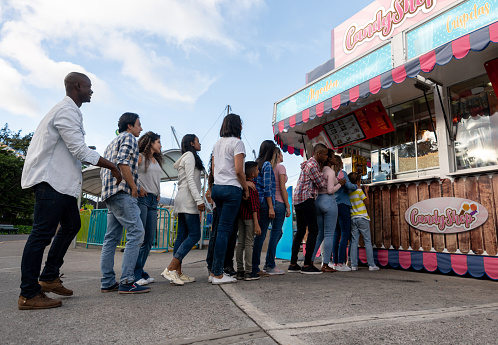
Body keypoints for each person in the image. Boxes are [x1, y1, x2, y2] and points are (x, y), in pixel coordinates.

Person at [18, 72, 122, 310]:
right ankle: (28, 294)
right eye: (89, 86)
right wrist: (113, 166)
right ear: (77, 86)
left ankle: (49, 276)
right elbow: (80, 150)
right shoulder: (65, 111)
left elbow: (75, 149)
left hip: (61, 184)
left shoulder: (72, 112)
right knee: (41, 235)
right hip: (50, 181)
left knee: (72, 225)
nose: (92, 91)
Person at [100, 112, 150, 294]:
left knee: (111, 238)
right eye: (139, 124)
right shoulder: (129, 138)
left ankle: (107, 281)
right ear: (130, 126)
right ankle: (128, 281)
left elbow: (111, 165)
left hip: (110, 193)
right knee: (137, 233)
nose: (141, 128)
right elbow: (123, 163)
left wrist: (137, 185)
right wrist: (133, 187)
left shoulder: (112, 143)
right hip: (122, 192)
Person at [209, 113, 249, 285]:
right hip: (232, 188)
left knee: (217, 231)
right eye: (240, 122)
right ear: (236, 125)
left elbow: (213, 168)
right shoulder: (237, 143)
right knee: (225, 231)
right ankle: (218, 273)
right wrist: (245, 187)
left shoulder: (217, 144)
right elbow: (239, 171)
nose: (242, 125)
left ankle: (213, 270)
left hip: (217, 188)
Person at [161, 134, 205, 285]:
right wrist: (199, 200)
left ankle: (177, 273)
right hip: (188, 200)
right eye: (198, 141)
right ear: (192, 143)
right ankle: (171, 268)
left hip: (182, 199)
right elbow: (191, 180)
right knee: (194, 235)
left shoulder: (187, 157)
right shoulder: (189, 156)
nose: (200, 143)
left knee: (181, 236)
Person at [288, 143, 328, 275]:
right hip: (306, 198)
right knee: (313, 230)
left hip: (298, 200)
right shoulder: (313, 166)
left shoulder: (308, 164)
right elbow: (321, 184)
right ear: (318, 154)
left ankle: (293, 264)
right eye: (325, 154)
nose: (326, 157)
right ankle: (307, 264)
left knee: (300, 231)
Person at [133, 132, 163, 286]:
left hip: (153, 201)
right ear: (150, 142)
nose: (160, 144)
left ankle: (139, 270)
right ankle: (135, 273)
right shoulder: (140, 157)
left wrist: (158, 193)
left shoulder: (156, 161)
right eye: (158, 142)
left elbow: (156, 179)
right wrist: (139, 187)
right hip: (142, 199)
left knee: (150, 239)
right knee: (140, 237)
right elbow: (131, 173)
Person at [311, 149, 344, 272]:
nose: (336, 159)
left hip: (318, 201)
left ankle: (310, 260)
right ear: (329, 159)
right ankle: (325, 264)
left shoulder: (320, 170)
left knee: (320, 235)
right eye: (334, 156)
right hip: (329, 201)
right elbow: (330, 190)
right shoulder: (330, 171)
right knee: (329, 234)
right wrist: (341, 184)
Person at [263, 148, 290, 275]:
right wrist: (288, 206)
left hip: (270, 202)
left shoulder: (269, 167)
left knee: (277, 232)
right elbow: (283, 188)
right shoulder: (281, 167)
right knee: (275, 233)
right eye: (281, 153)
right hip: (279, 202)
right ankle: (270, 264)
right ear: (278, 155)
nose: (283, 155)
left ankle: (268, 262)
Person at [252, 140, 277, 277]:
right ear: (272, 152)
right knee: (260, 237)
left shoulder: (257, 164)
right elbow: (267, 188)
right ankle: (255, 267)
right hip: (264, 203)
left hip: (257, 202)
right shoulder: (267, 165)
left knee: (257, 236)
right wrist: (271, 207)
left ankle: (253, 266)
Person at [348, 172, 380, 271]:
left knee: (354, 242)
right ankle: (371, 264)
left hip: (353, 218)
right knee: (367, 241)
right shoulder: (359, 191)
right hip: (362, 217)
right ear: (358, 182)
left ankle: (353, 265)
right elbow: (367, 202)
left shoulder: (349, 192)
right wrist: (366, 191)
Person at [331, 155, 357, 272]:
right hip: (343, 205)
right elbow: (348, 185)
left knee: (336, 234)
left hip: (333, 205)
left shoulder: (330, 174)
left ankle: (335, 262)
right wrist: (356, 186)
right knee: (345, 233)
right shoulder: (342, 172)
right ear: (340, 163)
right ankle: (341, 262)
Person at [236, 161, 261, 281]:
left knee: (240, 242)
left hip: (240, 216)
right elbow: (254, 206)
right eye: (257, 170)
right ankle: (249, 271)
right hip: (250, 217)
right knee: (249, 243)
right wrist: (256, 223)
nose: (258, 172)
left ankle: (240, 270)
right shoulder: (251, 186)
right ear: (252, 173)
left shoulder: (241, 184)